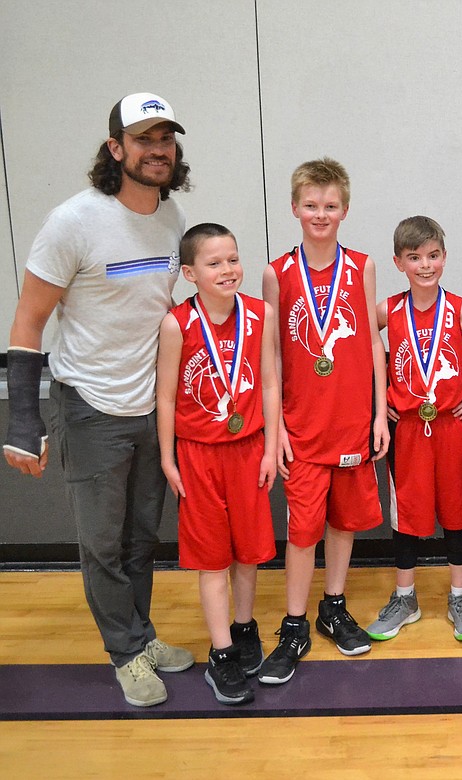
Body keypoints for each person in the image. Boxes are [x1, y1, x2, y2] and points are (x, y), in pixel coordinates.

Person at [4, 92, 195, 707]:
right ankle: (125, 654)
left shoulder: (170, 218)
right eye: (143, 139)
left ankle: (140, 635)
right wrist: (22, 419)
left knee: (142, 539)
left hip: (150, 410)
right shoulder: (73, 222)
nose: (157, 150)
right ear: (116, 149)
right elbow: (28, 322)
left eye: (165, 138)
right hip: (90, 407)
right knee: (101, 544)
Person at [257, 158, 390, 685]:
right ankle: (294, 625)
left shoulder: (362, 266)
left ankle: (332, 607)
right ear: (294, 208)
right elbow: (270, 357)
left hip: (353, 419)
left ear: (345, 210)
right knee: (303, 531)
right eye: (311, 205)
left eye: (330, 206)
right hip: (303, 424)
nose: (320, 213)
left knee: (344, 523)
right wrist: (278, 427)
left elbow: (375, 346)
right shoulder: (277, 272)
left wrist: (380, 413)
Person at [156, 223, 280, 705]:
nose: (228, 270)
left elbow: (269, 384)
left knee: (249, 552)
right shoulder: (177, 324)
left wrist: (270, 447)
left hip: (248, 449)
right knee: (212, 558)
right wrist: (168, 458)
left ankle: (244, 628)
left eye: (233, 259)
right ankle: (222, 654)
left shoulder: (259, 314)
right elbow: (165, 396)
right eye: (214, 263)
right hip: (198, 455)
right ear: (189, 273)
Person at [367, 216, 462, 643]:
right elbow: (356, 348)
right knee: (406, 515)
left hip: (453, 426)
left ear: (445, 258)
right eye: (414, 257)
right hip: (408, 429)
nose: (425, 265)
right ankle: (405, 597)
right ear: (399, 262)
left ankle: (459, 595)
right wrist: (378, 403)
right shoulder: (386, 310)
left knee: (456, 511)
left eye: (433, 256)